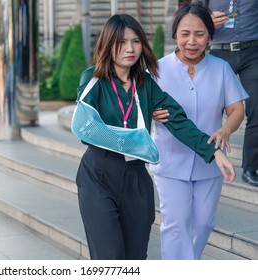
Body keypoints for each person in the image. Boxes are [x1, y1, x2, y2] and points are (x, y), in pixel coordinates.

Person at [74, 13, 235, 260]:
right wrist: (132, 137)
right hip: (99, 174)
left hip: (136, 178)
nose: (130, 48)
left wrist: (214, 151)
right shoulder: (93, 78)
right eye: (122, 42)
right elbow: (85, 127)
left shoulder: (146, 83)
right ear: (107, 44)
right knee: (110, 256)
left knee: (136, 256)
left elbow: (178, 121)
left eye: (136, 41)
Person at [151, 2, 248, 260]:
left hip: (211, 162)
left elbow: (237, 109)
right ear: (175, 35)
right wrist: (148, 112)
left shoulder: (221, 68)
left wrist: (226, 129)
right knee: (176, 225)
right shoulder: (157, 71)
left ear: (209, 36)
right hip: (170, 160)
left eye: (199, 34)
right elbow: (138, 105)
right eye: (185, 34)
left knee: (204, 223)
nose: (192, 41)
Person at [192, 0, 258, 186]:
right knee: (208, 108)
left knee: (257, 110)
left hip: (253, 52)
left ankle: (251, 168)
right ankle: (204, 156)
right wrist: (207, 21)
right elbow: (192, 15)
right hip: (220, 52)